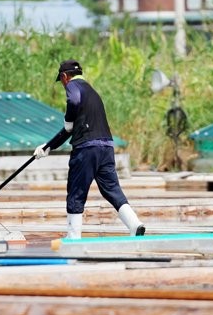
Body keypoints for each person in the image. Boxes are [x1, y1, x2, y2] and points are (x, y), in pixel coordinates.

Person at [33, 59, 145, 240]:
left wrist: (68, 117)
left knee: (76, 191)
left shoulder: (73, 86)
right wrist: (48, 147)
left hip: (87, 149)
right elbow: (69, 130)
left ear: (64, 77)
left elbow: (73, 103)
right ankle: (134, 224)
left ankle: (73, 237)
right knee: (111, 188)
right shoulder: (92, 92)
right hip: (106, 147)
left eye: (61, 81)